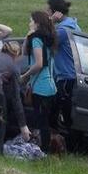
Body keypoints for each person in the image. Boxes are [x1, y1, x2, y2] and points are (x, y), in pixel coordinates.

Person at [21, 10, 57, 154]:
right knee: (46, 121)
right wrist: (28, 35)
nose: (29, 23)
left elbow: (39, 63)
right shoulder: (48, 38)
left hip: (41, 87)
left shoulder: (37, 40)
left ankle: (44, 151)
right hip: (50, 85)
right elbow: (24, 52)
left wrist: (25, 75)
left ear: (36, 23)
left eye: (31, 21)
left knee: (42, 123)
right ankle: (48, 148)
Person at [46, 0, 81, 132]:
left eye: (48, 11)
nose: (46, 13)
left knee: (60, 110)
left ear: (56, 13)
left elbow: (41, 41)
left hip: (65, 76)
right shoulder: (73, 25)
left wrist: (50, 22)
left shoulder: (62, 31)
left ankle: (63, 139)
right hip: (70, 74)